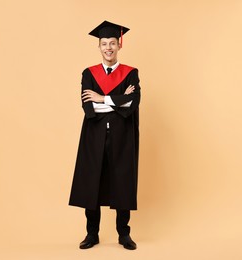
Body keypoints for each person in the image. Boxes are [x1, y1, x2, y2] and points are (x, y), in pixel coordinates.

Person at [69, 20, 141, 250]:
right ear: (99, 47)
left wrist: (102, 98)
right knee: (92, 183)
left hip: (122, 139)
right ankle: (92, 234)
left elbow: (133, 104)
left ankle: (124, 234)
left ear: (119, 45)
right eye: (104, 43)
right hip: (94, 137)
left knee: (123, 182)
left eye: (112, 43)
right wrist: (117, 101)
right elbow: (89, 109)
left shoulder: (131, 73)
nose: (108, 47)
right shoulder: (88, 74)